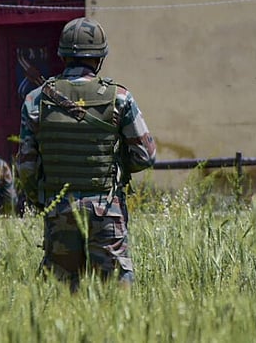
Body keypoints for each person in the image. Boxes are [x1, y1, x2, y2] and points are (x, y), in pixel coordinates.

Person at [17, 17, 157, 290]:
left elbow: (26, 167)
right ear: (100, 58)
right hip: (106, 209)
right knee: (117, 297)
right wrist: (115, 167)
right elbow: (145, 155)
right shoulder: (119, 97)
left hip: (59, 210)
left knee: (61, 297)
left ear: (62, 55)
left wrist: (43, 200)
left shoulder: (36, 99)